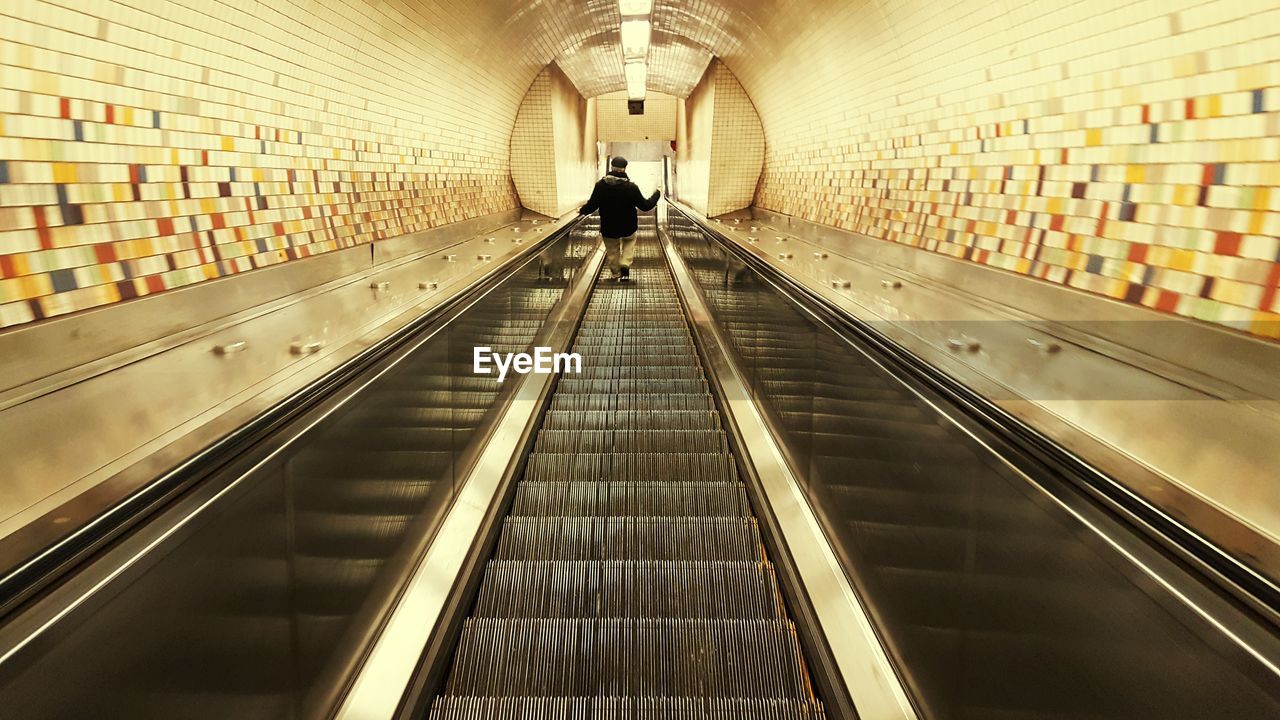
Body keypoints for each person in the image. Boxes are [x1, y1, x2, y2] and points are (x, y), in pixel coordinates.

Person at [578, 157, 660, 282]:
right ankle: (625, 264)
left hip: (609, 226)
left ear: (611, 167)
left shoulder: (600, 186)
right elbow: (645, 206)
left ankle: (616, 273)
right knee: (629, 243)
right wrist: (657, 194)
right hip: (628, 226)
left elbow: (592, 205)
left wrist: (581, 211)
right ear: (624, 169)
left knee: (612, 251)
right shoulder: (631, 187)